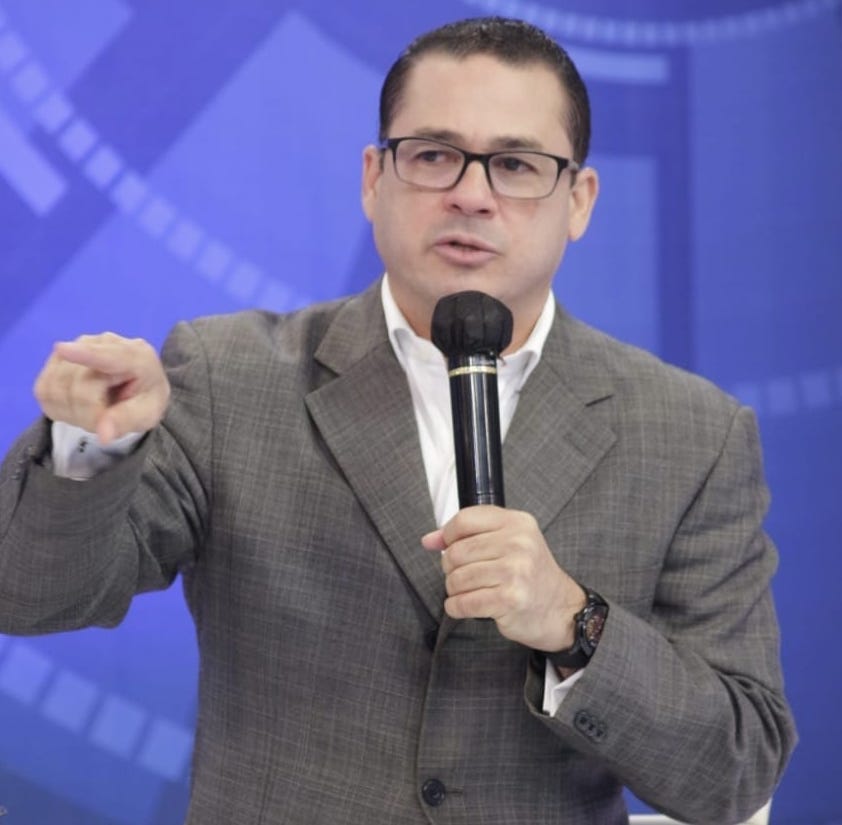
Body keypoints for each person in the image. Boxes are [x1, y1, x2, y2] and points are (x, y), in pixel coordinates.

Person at [0, 16, 795, 825]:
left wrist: (573, 620)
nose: (472, 194)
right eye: (434, 155)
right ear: (374, 178)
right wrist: (88, 446)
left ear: (579, 200)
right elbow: (28, 593)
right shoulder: (229, 374)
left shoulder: (691, 434)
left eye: (516, 164)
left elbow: (736, 768)